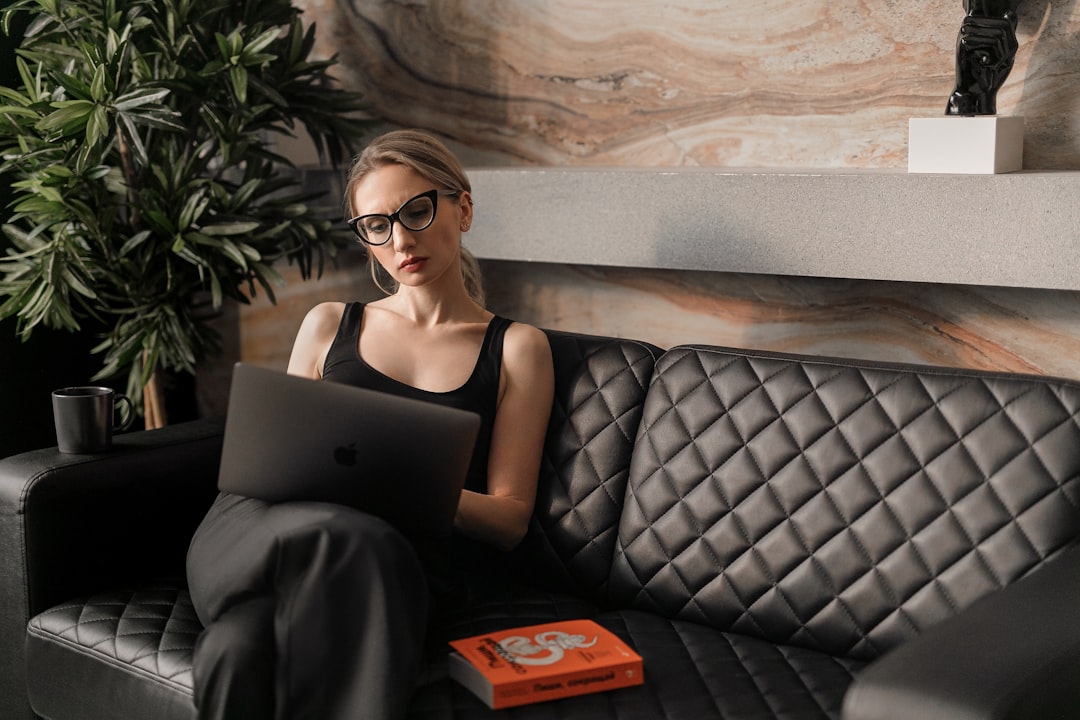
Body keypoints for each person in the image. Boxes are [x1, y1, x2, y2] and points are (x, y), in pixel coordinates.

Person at [185, 129, 555, 720]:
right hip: (261, 531)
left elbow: (509, 519)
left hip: (386, 561)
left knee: (237, 648)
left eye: (417, 211)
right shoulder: (329, 323)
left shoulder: (516, 348)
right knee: (335, 533)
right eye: (377, 225)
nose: (401, 238)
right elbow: (273, 459)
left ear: (463, 207)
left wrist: (393, 484)